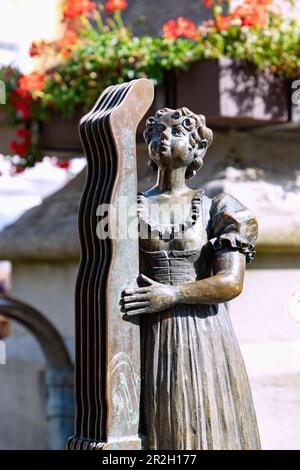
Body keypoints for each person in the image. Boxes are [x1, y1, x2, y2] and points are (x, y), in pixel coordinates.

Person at [121, 107, 261, 450]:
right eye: (155, 132)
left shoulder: (220, 209)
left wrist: (173, 294)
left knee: (201, 423)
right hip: (144, 333)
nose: (163, 137)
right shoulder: (126, 207)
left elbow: (230, 282)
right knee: (154, 428)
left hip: (202, 334)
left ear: (197, 150)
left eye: (176, 132)